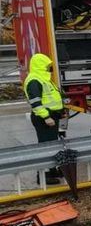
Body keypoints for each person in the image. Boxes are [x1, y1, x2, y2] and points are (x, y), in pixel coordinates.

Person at [24, 53, 64, 184]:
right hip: (44, 118)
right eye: (47, 66)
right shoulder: (34, 80)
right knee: (45, 146)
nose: (49, 68)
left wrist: (60, 112)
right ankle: (42, 176)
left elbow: (52, 98)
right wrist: (46, 117)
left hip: (51, 116)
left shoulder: (43, 78)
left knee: (52, 144)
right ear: (40, 66)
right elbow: (35, 102)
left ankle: (52, 170)